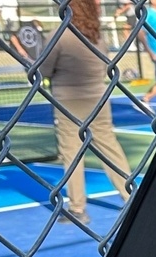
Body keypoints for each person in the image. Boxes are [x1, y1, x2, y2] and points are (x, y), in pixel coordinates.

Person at [36, 0, 134, 224]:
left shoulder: (59, 35)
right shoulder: (97, 37)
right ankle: (129, 196)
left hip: (68, 102)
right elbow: (104, 67)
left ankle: (78, 208)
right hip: (98, 100)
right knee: (109, 147)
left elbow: (44, 69)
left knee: (72, 153)